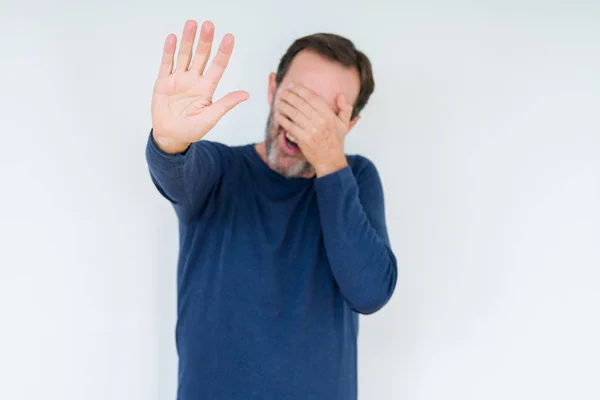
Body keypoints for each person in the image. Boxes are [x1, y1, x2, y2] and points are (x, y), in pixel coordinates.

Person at [145, 18, 398, 400]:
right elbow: (176, 173)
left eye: (328, 113)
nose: (307, 122)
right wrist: (168, 141)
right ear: (273, 89)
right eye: (299, 98)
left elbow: (370, 292)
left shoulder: (355, 178)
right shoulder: (220, 170)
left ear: (352, 123)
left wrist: (331, 166)